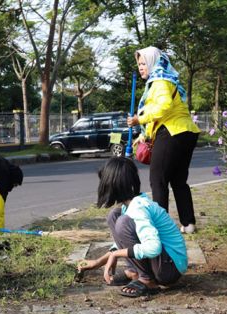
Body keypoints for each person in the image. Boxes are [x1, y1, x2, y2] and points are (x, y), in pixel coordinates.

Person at [78, 157, 187, 297]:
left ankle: (147, 280)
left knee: (123, 223)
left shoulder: (138, 208)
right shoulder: (128, 206)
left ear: (111, 184)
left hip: (170, 269)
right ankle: (135, 272)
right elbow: (126, 241)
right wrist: (98, 262)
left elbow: (153, 247)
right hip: (164, 263)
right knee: (114, 216)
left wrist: (116, 254)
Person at [126, 47, 200, 234]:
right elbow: (162, 113)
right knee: (178, 180)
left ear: (153, 62)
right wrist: (143, 135)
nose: (141, 67)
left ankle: (161, 226)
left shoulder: (159, 80)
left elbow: (164, 106)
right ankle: (188, 223)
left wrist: (139, 119)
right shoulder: (165, 80)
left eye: (143, 63)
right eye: (139, 64)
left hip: (172, 132)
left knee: (158, 179)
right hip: (186, 131)